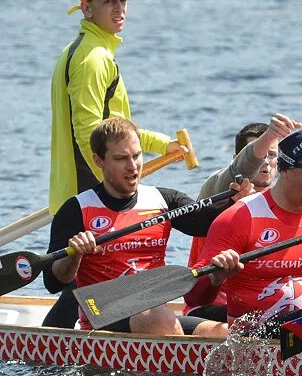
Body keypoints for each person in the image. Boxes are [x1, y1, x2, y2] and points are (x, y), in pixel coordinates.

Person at [44, 118, 243, 336]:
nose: (132, 166)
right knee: (159, 317)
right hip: (104, 319)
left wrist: (239, 202)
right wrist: (74, 255)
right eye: (121, 159)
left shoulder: (163, 200)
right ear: (99, 160)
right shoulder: (77, 209)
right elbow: (53, 282)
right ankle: (180, 367)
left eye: (137, 156)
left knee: (223, 333)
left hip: (155, 314)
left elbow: (207, 223)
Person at [49, 0, 183, 214]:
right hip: (90, 199)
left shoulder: (81, 50)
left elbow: (114, 133)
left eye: (123, 0)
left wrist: (163, 145)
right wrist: (109, 191)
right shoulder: (92, 59)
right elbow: (88, 132)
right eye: (109, 1)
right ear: (87, 9)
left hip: (77, 195)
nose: (119, 9)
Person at [190, 128, 302, 335]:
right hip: (253, 338)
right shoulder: (240, 217)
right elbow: (193, 298)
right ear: (286, 170)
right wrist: (215, 278)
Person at [184, 114, 302, 320]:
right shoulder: (217, 190)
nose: (265, 162)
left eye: (272, 155)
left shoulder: (286, 200)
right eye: (261, 154)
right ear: (236, 159)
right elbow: (235, 171)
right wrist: (270, 135)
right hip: (209, 308)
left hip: (260, 307)